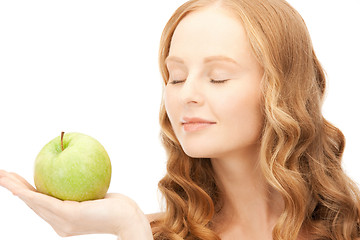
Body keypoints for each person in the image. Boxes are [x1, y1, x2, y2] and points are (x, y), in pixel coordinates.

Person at [1, 0, 359, 239]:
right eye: (175, 76)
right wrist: (128, 225)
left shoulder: (350, 227)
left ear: (283, 91)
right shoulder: (151, 233)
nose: (186, 94)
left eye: (218, 77)